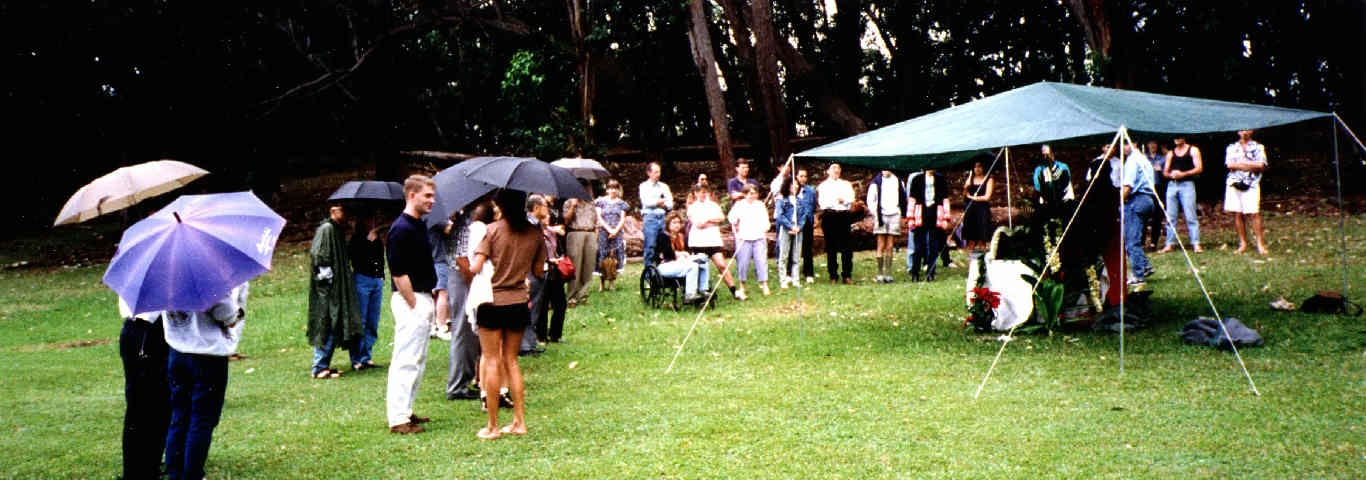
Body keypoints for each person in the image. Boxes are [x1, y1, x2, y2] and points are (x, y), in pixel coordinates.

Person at [467, 189, 547, 440]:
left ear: (499, 205)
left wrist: (468, 260)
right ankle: (519, 422)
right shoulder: (535, 234)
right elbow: (538, 270)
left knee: (491, 361)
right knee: (511, 361)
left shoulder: (491, 231)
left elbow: (475, 267)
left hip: (491, 302)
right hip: (517, 302)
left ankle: (492, 426)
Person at [161, 283, 248, 480]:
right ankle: (193, 474)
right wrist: (236, 315)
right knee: (202, 420)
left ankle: (175, 472)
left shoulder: (167, 275)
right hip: (206, 354)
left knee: (180, 415)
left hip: (178, 350)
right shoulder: (208, 275)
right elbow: (224, 311)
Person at [385, 175, 439, 435]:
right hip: (411, 299)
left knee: (418, 358)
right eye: (427, 195)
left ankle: (406, 410)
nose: (432, 200)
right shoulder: (400, 229)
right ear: (411, 195)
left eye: (432, 195)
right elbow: (398, 272)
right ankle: (397, 419)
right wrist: (414, 302)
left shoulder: (418, 225)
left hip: (423, 296)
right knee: (405, 359)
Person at [307, 204, 363, 378]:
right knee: (328, 322)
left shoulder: (338, 230)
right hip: (329, 289)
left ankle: (323, 365)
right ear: (333, 211)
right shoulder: (327, 229)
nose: (347, 214)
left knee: (336, 322)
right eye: (343, 210)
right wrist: (328, 283)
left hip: (339, 286)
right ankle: (318, 367)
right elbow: (319, 256)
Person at [118, 296, 169, 480]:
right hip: (147, 333)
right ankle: (139, 470)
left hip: (140, 331)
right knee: (144, 406)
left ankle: (148, 464)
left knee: (153, 405)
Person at [444, 203, 484, 401]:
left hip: (461, 276)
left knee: (467, 330)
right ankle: (457, 386)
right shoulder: (468, 223)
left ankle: (465, 381)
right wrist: (473, 285)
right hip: (462, 277)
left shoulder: (465, 221)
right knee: (464, 329)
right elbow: (462, 259)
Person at [687, 185, 743, 299]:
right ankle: (698, 291)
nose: (703, 195)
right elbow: (698, 225)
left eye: (705, 192)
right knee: (700, 267)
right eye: (701, 192)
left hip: (713, 241)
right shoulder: (692, 207)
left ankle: (734, 291)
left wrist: (707, 220)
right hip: (698, 243)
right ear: (696, 193)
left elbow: (721, 218)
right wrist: (712, 221)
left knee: (722, 265)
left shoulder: (713, 205)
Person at [526, 195, 569, 344]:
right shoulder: (530, 226)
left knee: (558, 303)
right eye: (545, 206)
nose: (548, 210)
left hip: (552, 271)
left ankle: (553, 335)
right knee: (540, 305)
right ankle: (538, 337)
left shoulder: (547, 230)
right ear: (536, 208)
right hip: (538, 270)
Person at [349, 209, 386, 371]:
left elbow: (380, 257)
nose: (372, 223)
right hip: (362, 280)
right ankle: (356, 357)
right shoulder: (357, 239)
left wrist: (382, 276)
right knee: (361, 320)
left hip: (376, 280)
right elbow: (355, 259)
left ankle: (367, 356)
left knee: (373, 319)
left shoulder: (376, 238)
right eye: (368, 220)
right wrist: (367, 243)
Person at [1225, 129, 1270, 255]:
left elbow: (1261, 165)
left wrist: (1241, 164)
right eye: (1241, 130)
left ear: (1251, 131)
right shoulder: (1231, 147)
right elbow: (1230, 165)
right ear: (1238, 132)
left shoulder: (1258, 147)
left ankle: (1260, 244)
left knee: (1254, 213)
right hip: (1234, 182)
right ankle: (1243, 243)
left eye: (1247, 130)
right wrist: (1250, 165)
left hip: (1252, 184)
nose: (1244, 132)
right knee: (1238, 213)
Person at [1120, 142, 1159, 285]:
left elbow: (1128, 185)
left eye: (1124, 144)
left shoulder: (1131, 160)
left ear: (1133, 143)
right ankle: (1145, 266)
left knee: (1131, 240)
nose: (1122, 148)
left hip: (1137, 199)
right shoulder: (1144, 159)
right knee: (1134, 237)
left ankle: (1137, 275)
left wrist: (1120, 201)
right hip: (1148, 200)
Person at [655, 212, 711, 303]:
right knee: (693, 266)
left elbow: (688, 252)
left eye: (678, 222)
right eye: (674, 222)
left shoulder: (681, 237)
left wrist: (685, 255)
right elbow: (667, 254)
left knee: (704, 261)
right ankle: (689, 295)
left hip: (680, 263)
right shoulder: (662, 236)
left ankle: (703, 290)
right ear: (668, 224)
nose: (677, 225)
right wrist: (681, 254)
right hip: (665, 265)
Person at [1161, 137, 1204, 253]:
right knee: (1170, 216)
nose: (1176, 140)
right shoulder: (1170, 153)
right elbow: (1165, 171)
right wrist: (1171, 175)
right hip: (1172, 185)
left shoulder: (1193, 150)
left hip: (1187, 184)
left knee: (1190, 215)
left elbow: (1199, 168)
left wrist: (1183, 174)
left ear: (1184, 138)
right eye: (1175, 138)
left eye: (1179, 137)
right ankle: (1169, 244)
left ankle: (1196, 243)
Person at [907, 169, 950, 282]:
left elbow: (945, 199)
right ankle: (915, 272)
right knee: (918, 246)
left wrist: (946, 218)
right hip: (920, 214)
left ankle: (930, 272)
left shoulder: (940, 179)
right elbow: (912, 199)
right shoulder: (917, 179)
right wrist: (910, 218)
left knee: (933, 246)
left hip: (936, 214)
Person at [817, 163, 857, 284]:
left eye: (838, 168)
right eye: (833, 168)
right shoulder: (823, 186)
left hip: (843, 216)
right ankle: (833, 276)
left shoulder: (845, 184)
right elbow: (823, 202)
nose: (836, 170)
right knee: (831, 247)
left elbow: (850, 199)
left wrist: (843, 200)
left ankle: (847, 275)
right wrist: (837, 200)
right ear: (828, 171)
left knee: (847, 248)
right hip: (830, 216)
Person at [728, 185, 771, 296]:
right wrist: (736, 224)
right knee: (743, 263)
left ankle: (764, 284)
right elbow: (731, 218)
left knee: (761, 261)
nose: (753, 195)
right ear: (745, 194)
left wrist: (766, 228)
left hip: (759, 237)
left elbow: (765, 221)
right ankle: (742, 286)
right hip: (743, 238)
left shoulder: (760, 205)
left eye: (755, 193)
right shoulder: (739, 205)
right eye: (750, 193)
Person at [866, 170, 905, 283]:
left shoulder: (898, 181)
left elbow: (902, 198)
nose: (885, 171)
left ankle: (888, 273)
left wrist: (900, 212)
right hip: (881, 215)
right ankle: (880, 274)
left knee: (890, 245)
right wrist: (876, 213)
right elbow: (870, 200)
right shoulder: (876, 182)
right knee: (881, 244)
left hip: (894, 214)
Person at [774, 176, 812, 289]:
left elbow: (804, 215)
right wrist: (790, 226)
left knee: (796, 255)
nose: (795, 186)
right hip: (786, 229)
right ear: (787, 186)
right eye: (792, 184)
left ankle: (796, 280)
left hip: (798, 230)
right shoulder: (782, 200)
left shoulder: (800, 201)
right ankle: (783, 279)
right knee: (784, 255)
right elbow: (780, 216)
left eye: (796, 184)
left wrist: (799, 227)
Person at [562, 183, 598, 306]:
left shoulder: (591, 203)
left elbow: (595, 221)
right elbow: (566, 220)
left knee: (588, 266)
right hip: (575, 233)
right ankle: (571, 296)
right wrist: (573, 205)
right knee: (575, 266)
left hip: (590, 233)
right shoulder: (568, 202)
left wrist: (595, 237)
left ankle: (583, 295)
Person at [639, 162, 674, 266]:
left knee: (662, 245)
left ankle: (661, 273)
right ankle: (649, 275)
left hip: (662, 218)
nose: (658, 174)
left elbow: (670, 204)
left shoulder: (664, 186)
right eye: (655, 172)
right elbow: (646, 202)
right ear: (648, 173)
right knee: (650, 246)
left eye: (659, 172)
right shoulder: (643, 186)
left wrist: (657, 203)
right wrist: (659, 202)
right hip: (650, 219)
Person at [595, 180, 629, 279]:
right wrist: (609, 230)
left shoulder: (622, 203)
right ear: (607, 189)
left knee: (614, 257)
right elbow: (599, 217)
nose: (613, 190)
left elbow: (622, 218)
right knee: (602, 255)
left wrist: (615, 231)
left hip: (617, 233)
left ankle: (611, 281)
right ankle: (601, 282)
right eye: (610, 188)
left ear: (618, 190)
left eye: (615, 188)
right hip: (603, 232)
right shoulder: (600, 202)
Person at [962, 157, 996, 253]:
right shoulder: (971, 179)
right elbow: (965, 194)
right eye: (975, 167)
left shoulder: (989, 179)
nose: (977, 169)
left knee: (982, 229)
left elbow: (987, 196)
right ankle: (971, 249)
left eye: (980, 166)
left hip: (982, 207)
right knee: (970, 230)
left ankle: (982, 248)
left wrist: (973, 197)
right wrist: (966, 186)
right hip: (970, 208)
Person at [428, 214, 453, 342]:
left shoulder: (425, 216)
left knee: (433, 294)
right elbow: (450, 230)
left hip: (430, 259)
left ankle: (432, 326)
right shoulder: (438, 217)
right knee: (443, 293)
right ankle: (442, 326)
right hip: (439, 259)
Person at [1146, 140, 1170, 249]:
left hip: (1159, 187)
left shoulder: (1163, 158)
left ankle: (1153, 242)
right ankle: (1142, 242)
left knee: (1157, 215)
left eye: (1155, 143)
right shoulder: (1144, 158)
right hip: (1147, 188)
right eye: (1150, 143)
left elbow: (1167, 175)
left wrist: (1160, 171)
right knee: (1145, 215)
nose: (1152, 145)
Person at [795, 168, 818, 284]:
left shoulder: (811, 190)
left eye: (805, 176)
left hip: (808, 221)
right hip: (796, 222)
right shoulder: (792, 189)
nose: (803, 178)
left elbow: (813, 207)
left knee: (807, 247)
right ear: (796, 177)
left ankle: (809, 272)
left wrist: (814, 218)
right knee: (794, 247)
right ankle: (791, 272)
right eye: (800, 176)